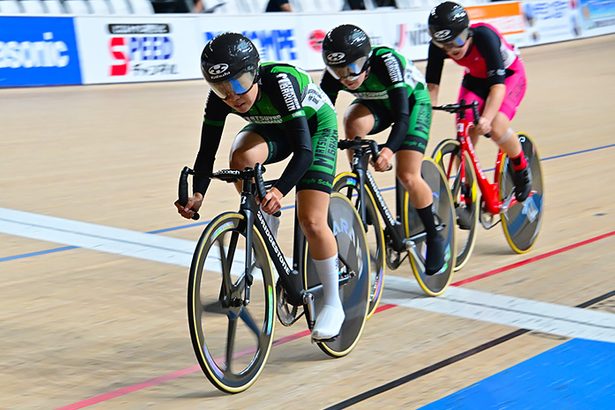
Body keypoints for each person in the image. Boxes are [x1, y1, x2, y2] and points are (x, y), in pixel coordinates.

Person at [175, 33, 344, 340]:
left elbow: (304, 151)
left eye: (238, 84)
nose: (233, 97)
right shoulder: (222, 98)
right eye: (221, 89)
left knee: (312, 220)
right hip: (273, 126)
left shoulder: (280, 82)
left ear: (254, 71)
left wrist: (279, 189)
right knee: (240, 156)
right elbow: (206, 152)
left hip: (315, 129)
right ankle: (267, 222)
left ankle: (333, 303)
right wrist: (198, 193)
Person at [320, 24, 447, 276]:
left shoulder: (387, 62)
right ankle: (361, 182)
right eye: (338, 72)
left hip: (411, 105)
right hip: (376, 103)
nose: (346, 78)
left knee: (408, 175)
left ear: (367, 61)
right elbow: (321, 118)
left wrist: (388, 151)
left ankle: (434, 236)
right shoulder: (335, 76)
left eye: (352, 69)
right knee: (352, 121)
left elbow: (401, 117)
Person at [426, 1, 532, 203]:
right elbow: (432, 88)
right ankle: (467, 187)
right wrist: (425, 120)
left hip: (509, 76)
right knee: (464, 129)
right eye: (444, 46)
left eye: (457, 41)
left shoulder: (485, 36)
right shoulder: (438, 46)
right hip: (476, 79)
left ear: (467, 32)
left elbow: (498, 87)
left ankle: (521, 167)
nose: (451, 50)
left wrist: (486, 118)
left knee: (496, 126)